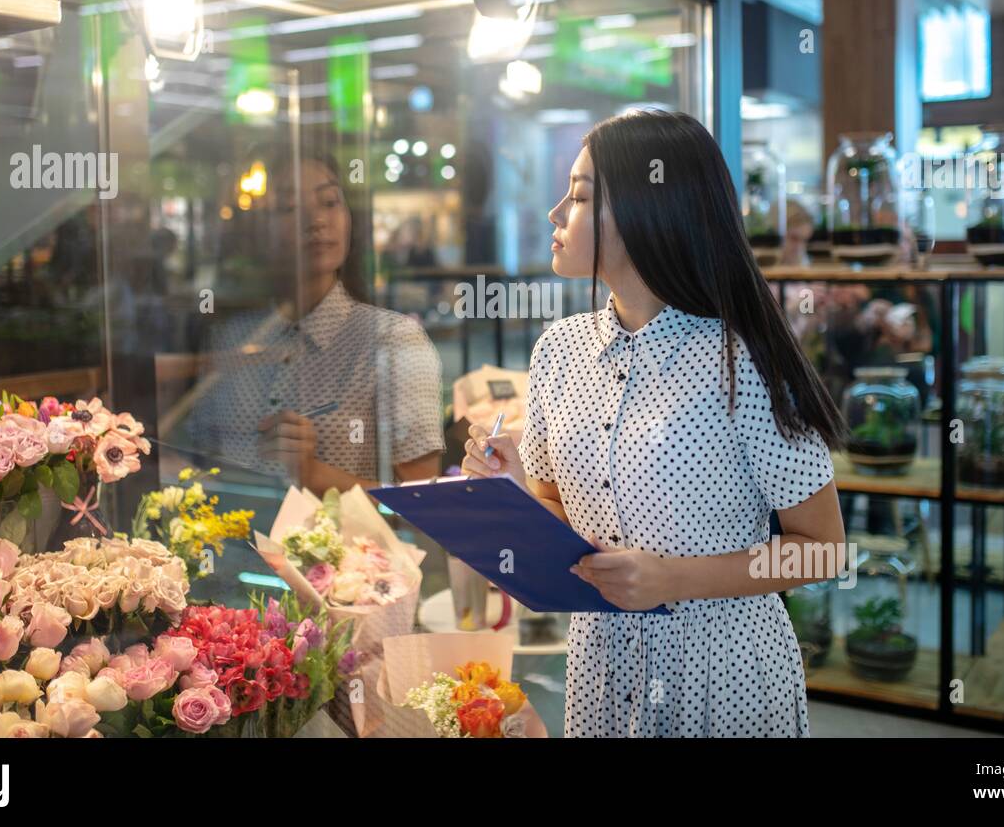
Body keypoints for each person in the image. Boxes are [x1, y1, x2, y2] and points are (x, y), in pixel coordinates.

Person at [461, 110, 846, 737]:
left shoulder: (741, 357)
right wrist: (509, 489)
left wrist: (673, 578)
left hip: (725, 671)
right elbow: (562, 519)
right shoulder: (558, 352)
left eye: (580, 195)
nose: (556, 212)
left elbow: (822, 550)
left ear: (647, 210)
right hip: (600, 662)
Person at [189, 152, 444, 494]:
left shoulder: (392, 340)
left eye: (329, 201)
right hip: (226, 545)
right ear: (257, 230)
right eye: (288, 207)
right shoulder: (232, 338)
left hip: (348, 547)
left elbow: (424, 502)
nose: (316, 220)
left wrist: (314, 476)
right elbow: (196, 464)